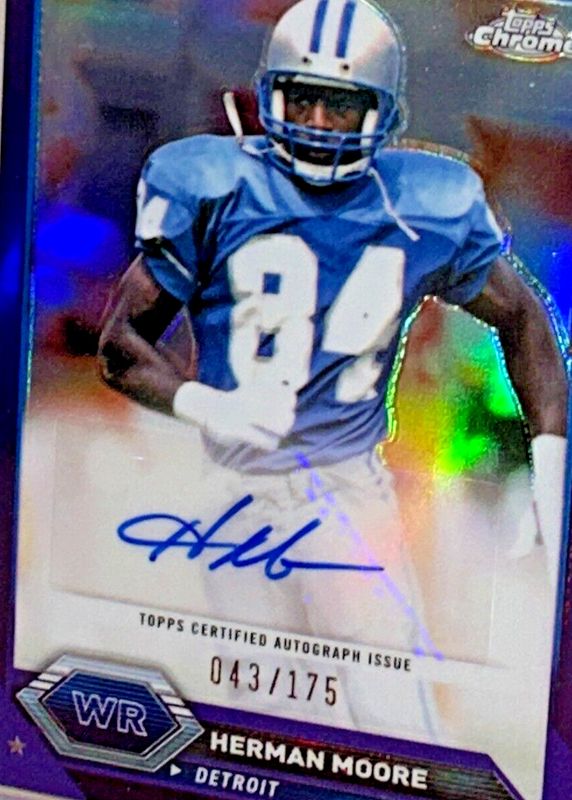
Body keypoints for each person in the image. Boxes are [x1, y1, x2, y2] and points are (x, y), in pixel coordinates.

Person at [97, 0, 567, 740]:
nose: (316, 122)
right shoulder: (213, 186)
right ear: (269, 96)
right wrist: (207, 405)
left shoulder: (423, 203)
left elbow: (523, 319)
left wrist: (552, 464)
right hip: (229, 492)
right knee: (259, 717)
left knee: (395, 716)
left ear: (382, 113)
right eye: (301, 98)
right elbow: (121, 346)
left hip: (348, 488)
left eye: (341, 105)